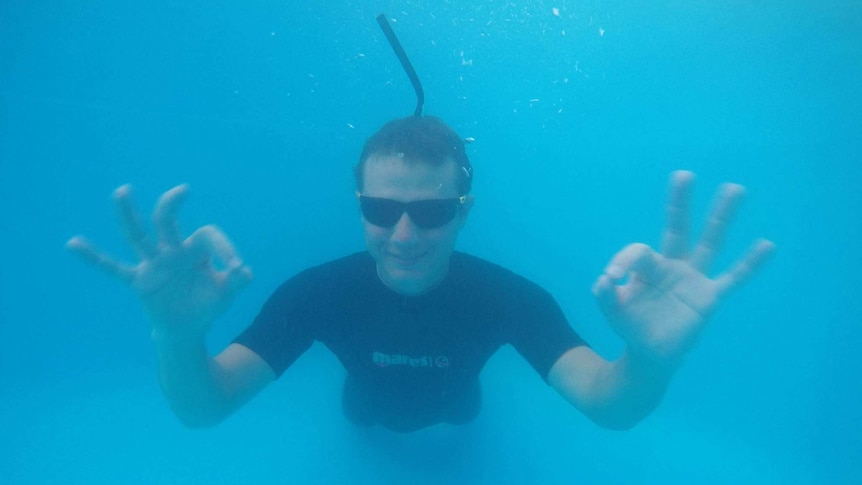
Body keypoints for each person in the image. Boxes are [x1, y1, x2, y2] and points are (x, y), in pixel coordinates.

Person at [67, 115, 775, 433]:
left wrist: (647, 361)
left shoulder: (511, 297)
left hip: (456, 403)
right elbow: (203, 408)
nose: (404, 234)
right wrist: (176, 337)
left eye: (431, 212)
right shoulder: (314, 293)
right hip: (366, 404)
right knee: (362, 414)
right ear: (358, 205)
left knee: (464, 412)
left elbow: (609, 405)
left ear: (463, 212)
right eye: (381, 207)